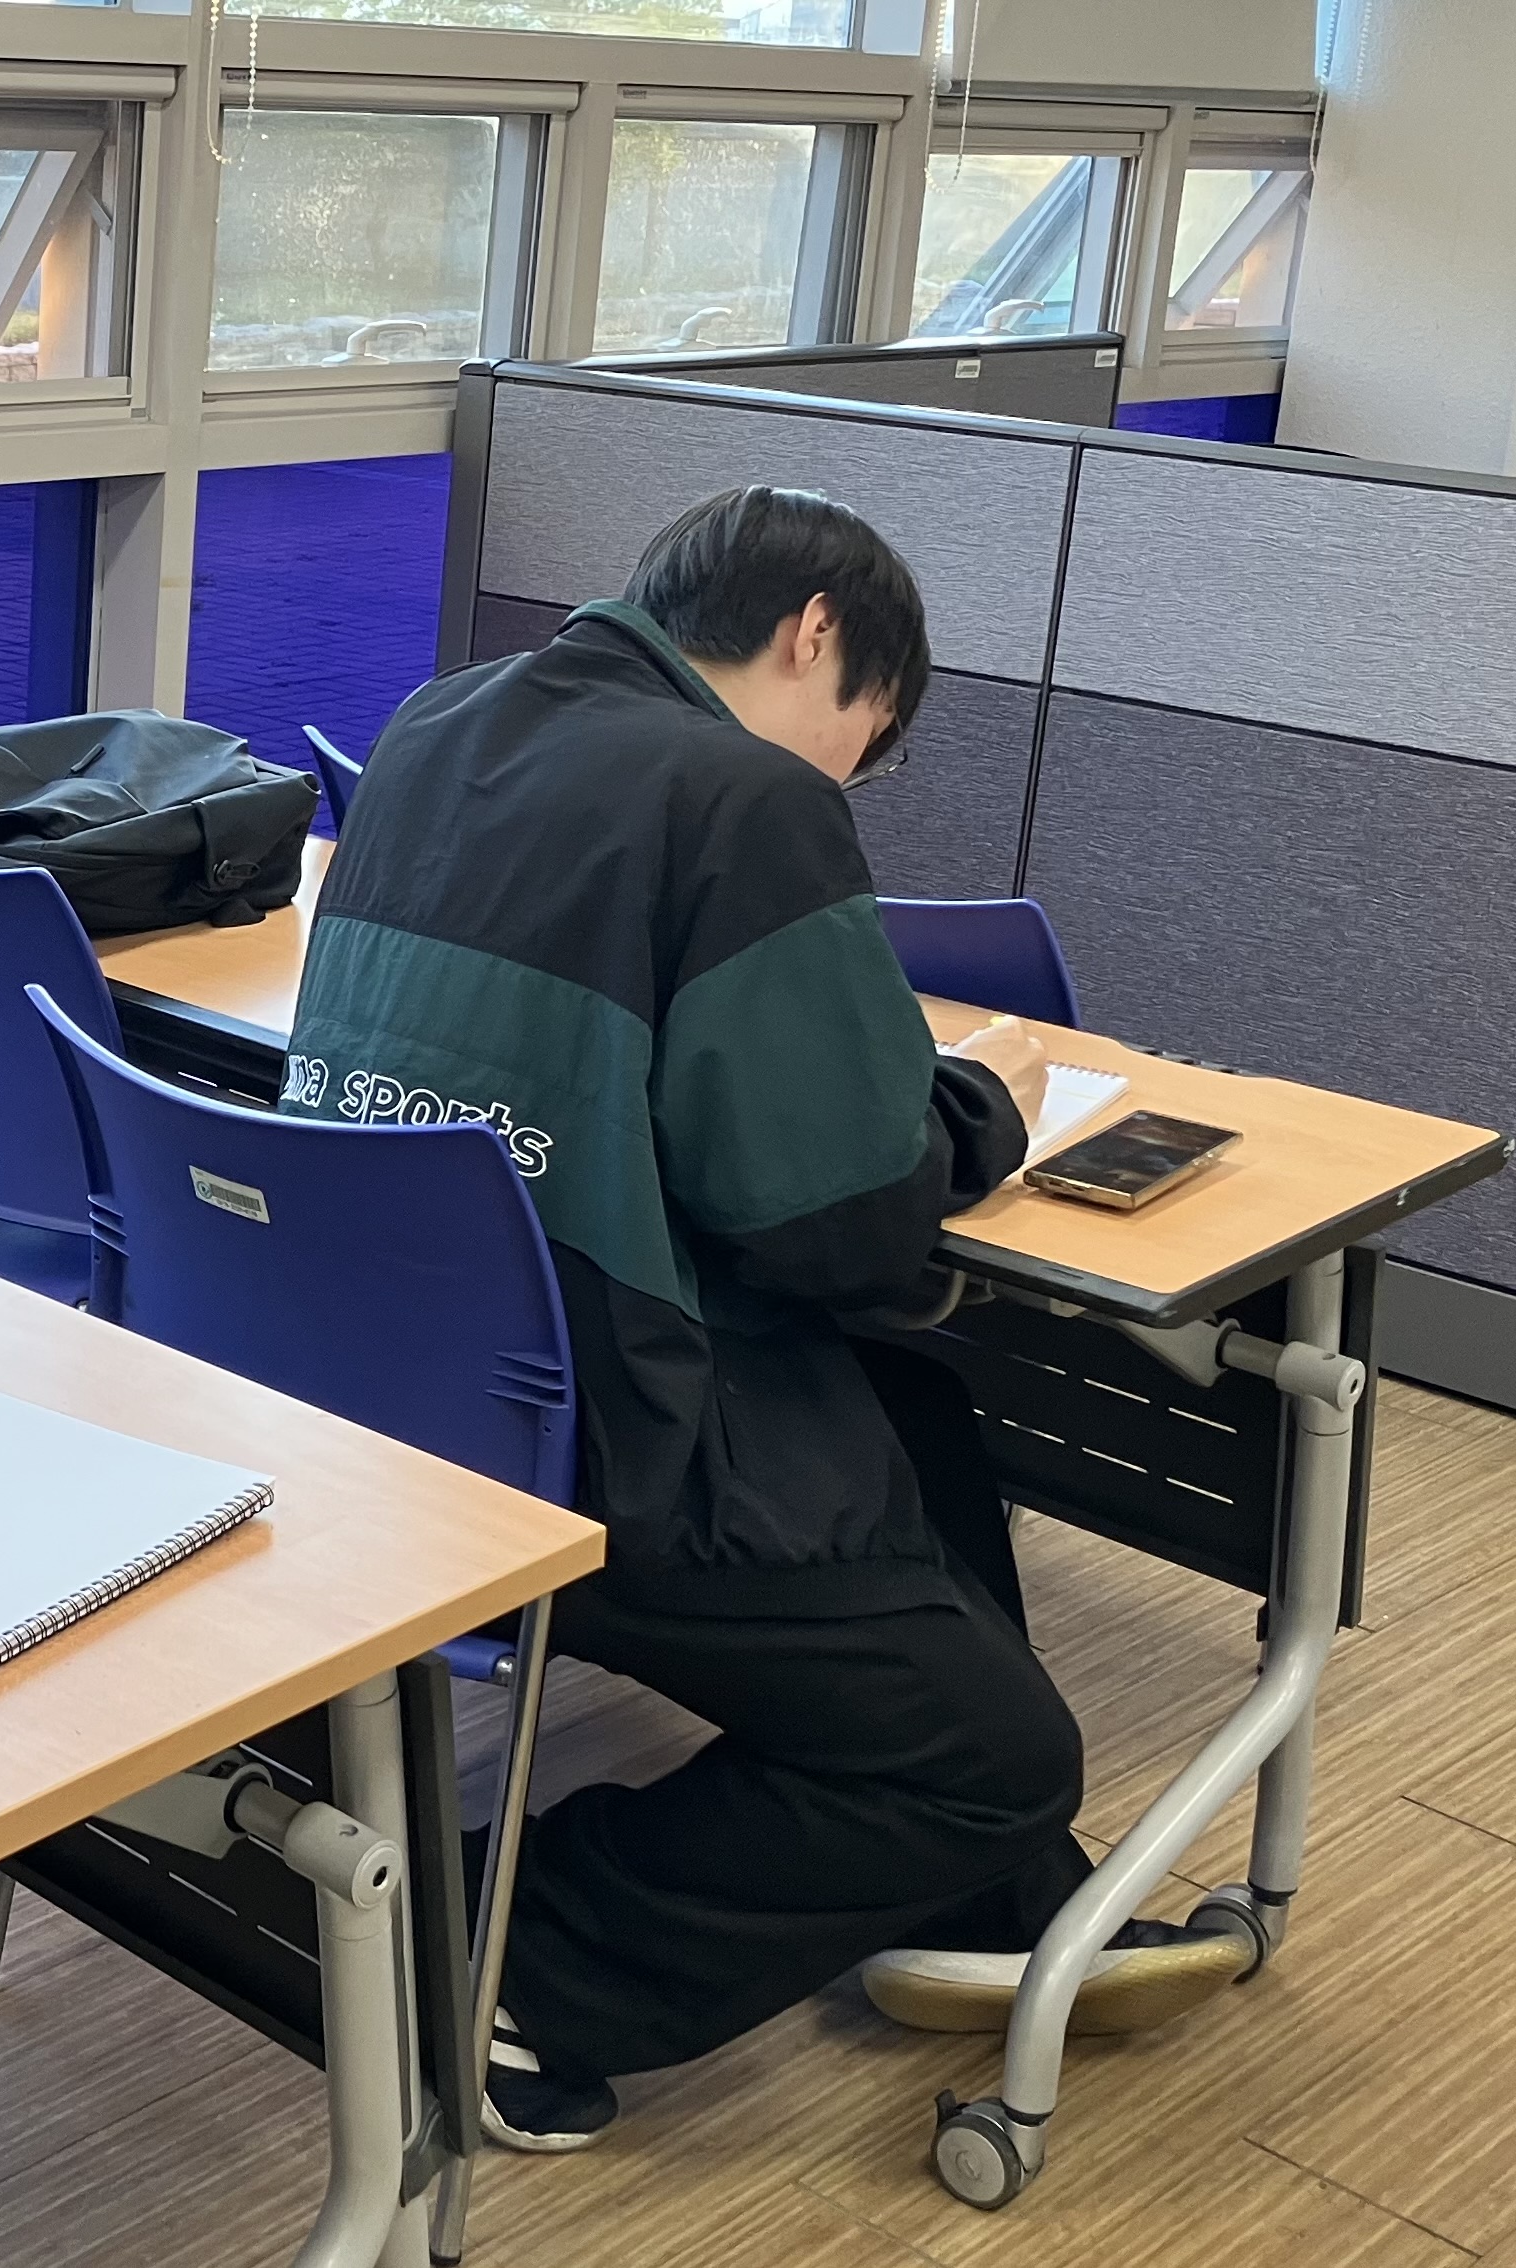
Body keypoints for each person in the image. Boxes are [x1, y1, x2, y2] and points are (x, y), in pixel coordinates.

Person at [280, 486, 1243, 2154]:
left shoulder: (443, 720)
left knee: (921, 1423)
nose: (850, 782)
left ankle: (996, 1903)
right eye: (870, 737)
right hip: (594, 1440)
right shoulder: (740, 796)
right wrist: (981, 1109)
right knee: (1002, 1756)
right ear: (816, 634)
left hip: (397, 1376)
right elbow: (837, 1228)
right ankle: (508, 1959)